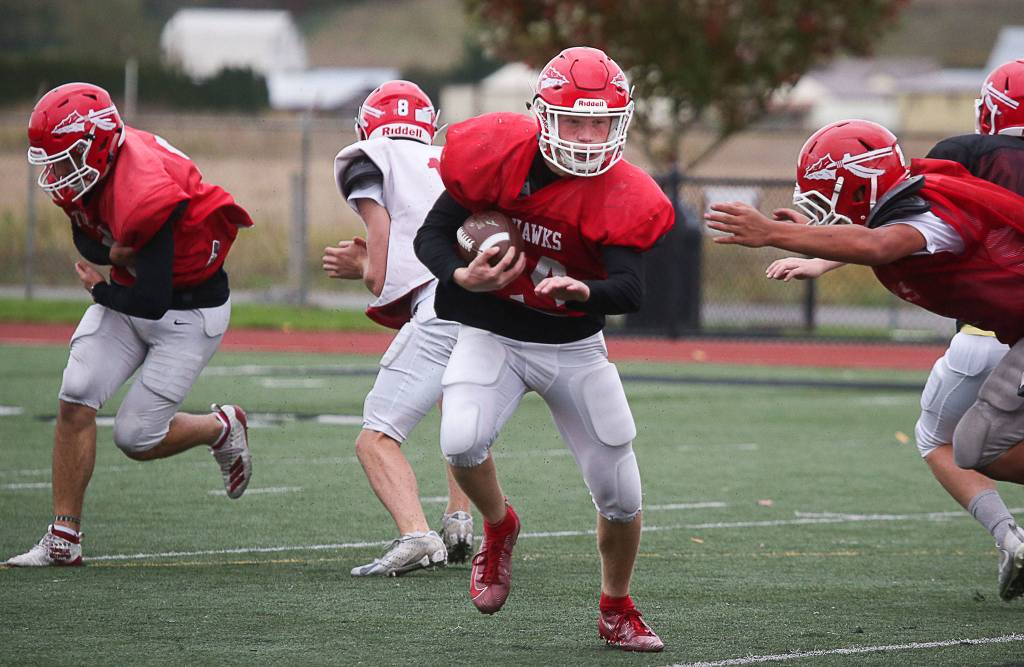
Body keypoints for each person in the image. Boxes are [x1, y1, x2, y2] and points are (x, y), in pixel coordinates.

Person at [414, 47, 674, 652]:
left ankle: (616, 606)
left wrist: (588, 290)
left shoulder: (625, 192)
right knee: (460, 439)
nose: (588, 138)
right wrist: (460, 276)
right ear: (543, 114)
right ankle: (500, 526)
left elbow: (631, 290)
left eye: (601, 124)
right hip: (494, 332)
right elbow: (431, 235)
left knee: (621, 493)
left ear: (621, 124)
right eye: (575, 122)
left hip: (573, 346)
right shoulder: (494, 156)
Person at [761, 59, 1024, 601]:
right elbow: (913, 227)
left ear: (992, 110)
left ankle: (1008, 537)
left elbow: (906, 229)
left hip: (988, 331)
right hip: (1011, 330)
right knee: (977, 442)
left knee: (940, 439)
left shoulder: (969, 154)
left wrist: (812, 251)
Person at [6, 82, 254, 567]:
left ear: (97, 145)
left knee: (135, 437)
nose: (56, 173)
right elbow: (91, 241)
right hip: (135, 294)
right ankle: (64, 538)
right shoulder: (92, 169)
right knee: (77, 392)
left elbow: (152, 300)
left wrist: (99, 290)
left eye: (65, 158)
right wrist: (111, 258)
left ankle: (220, 427)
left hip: (186, 311)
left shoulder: (145, 190)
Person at [323, 80, 474, 576]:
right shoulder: (447, 159)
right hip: (482, 304)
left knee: (376, 438)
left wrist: (362, 265)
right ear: (428, 126)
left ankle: (416, 535)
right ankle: (460, 520)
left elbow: (381, 268)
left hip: (441, 305)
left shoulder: (371, 156)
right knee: (457, 412)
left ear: (370, 126)